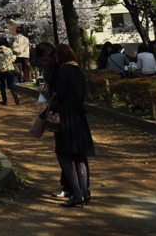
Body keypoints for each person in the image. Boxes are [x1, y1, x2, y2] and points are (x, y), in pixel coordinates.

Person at [49, 44, 94, 207]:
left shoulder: (63, 71)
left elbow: (59, 94)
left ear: (60, 56)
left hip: (66, 118)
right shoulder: (78, 71)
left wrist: (49, 93)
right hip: (79, 117)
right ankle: (84, 192)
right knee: (80, 157)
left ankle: (76, 194)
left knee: (64, 156)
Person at [0, 37, 20, 105]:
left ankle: (4, 101)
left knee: (2, 85)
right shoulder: (9, 50)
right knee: (11, 84)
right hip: (10, 68)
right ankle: (16, 97)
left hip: (1, 69)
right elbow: (12, 59)